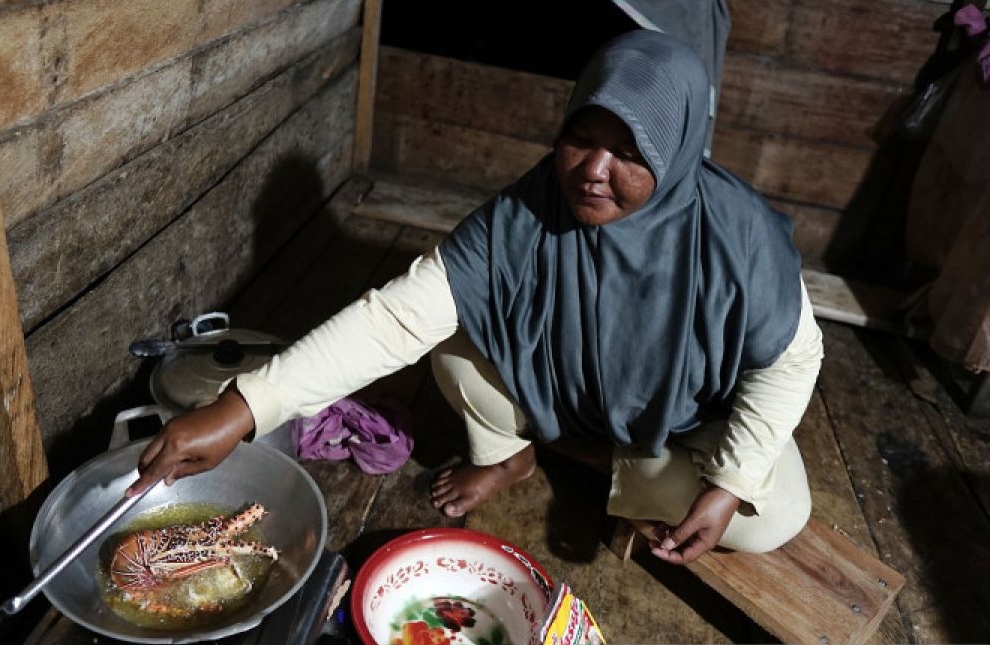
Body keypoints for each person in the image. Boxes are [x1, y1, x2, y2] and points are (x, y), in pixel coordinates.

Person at [127, 30, 822, 565]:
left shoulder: (739, 239)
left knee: (777, 514)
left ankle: (594, 461)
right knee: (454, 358)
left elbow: (791, 362)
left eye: (632, 151)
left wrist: (729, 484)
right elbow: (396, 318)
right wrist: (241, 407)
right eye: (581, 138)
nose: (594, 172)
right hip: (572, 391)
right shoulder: (524, 214)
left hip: (689, 419)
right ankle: (524, 457)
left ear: (676, 154)